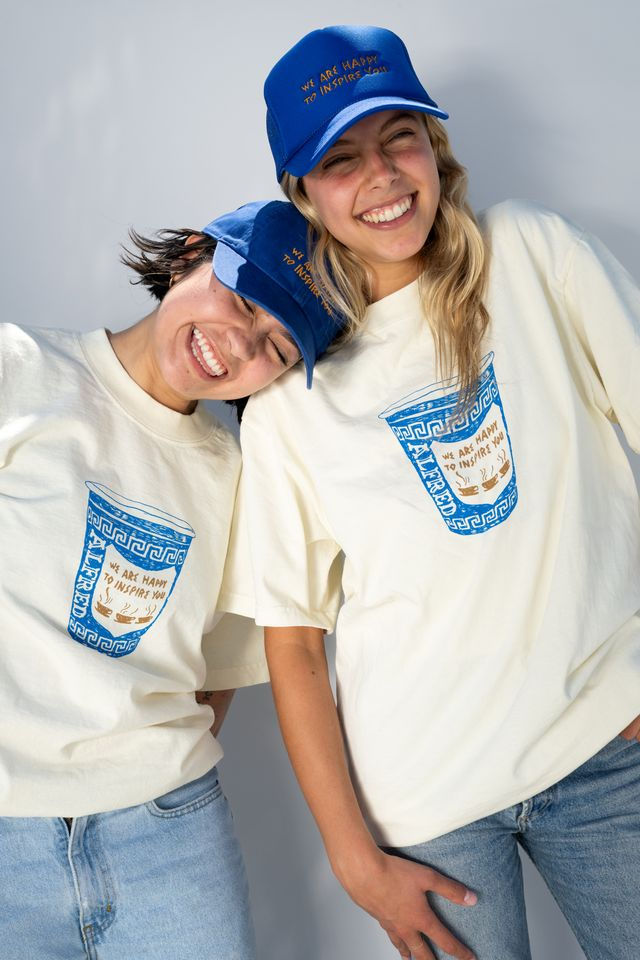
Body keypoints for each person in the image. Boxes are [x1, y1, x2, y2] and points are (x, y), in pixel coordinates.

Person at [220, 25, 640, 960]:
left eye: (398, 138)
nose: (381, 176)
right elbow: (294, 644)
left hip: (607, 748)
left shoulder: (531, 255)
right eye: (340, 160)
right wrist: (352, 861)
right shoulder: (292, 400)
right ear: (303, 194)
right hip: (428, 801)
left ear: (434, 147)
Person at [0, 199, 343, 960]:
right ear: (192, 253)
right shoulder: (20, 367)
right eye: (242, 300)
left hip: (168, 837)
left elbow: (217, 674)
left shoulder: (238, 475)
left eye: (277, 346)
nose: (239, 342)